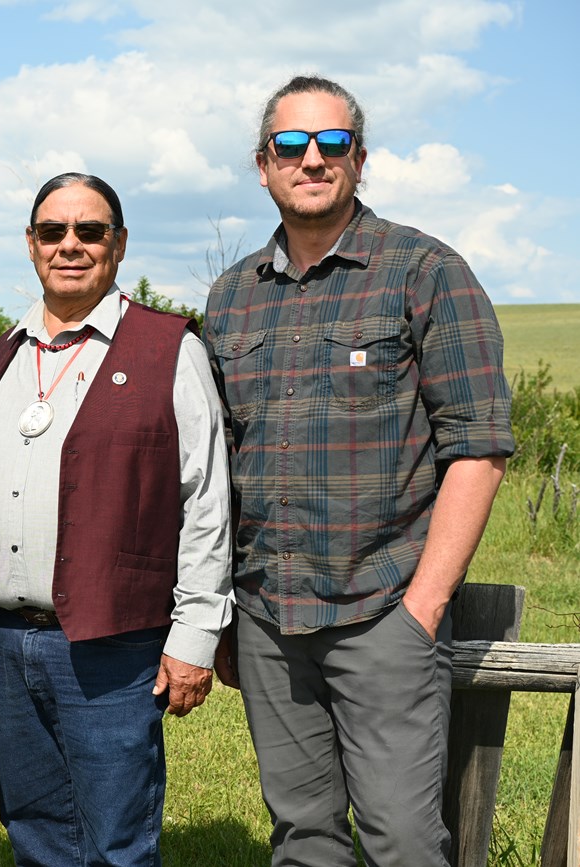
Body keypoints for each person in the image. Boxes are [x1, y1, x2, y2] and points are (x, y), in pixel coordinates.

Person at [204, 75, 515, 865]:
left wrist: (424, 605)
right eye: (293, 145)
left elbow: (478, 449)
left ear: (360, 158)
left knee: (404, 841)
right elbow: (214, 462)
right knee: (303, 839)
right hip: (270, 617)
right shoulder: (232, 297)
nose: (313, 159)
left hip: (383, 612)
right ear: (264, 164)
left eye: (332, 142)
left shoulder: (425, 271)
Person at [0, 172, 232, 867]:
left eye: (90, 230)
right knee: (36, 831)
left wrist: (195, 635)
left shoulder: (170, 349)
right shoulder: (2, 354)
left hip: (113, 645)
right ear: (31, 244)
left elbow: (206, 500)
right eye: (54, 231)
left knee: (115, 843)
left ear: (119, 243)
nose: (70, 244)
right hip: (8, 641)